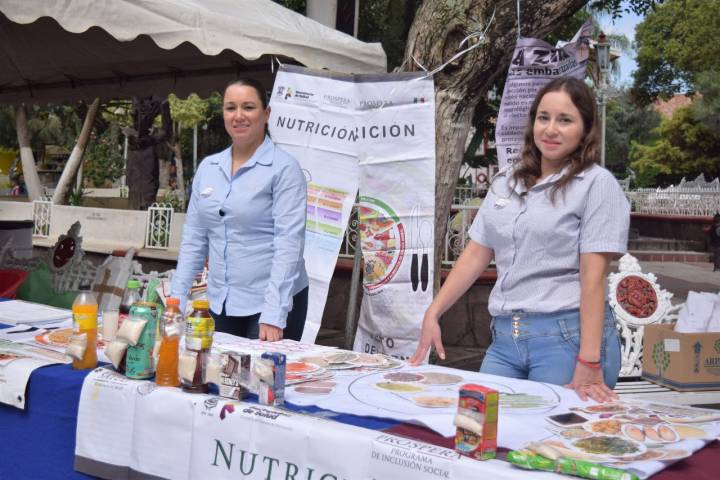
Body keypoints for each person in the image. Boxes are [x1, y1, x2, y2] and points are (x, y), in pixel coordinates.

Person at [410, 77, 630, 403]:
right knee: (477, 424)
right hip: (505, 339)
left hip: (567, 339)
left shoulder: (596, 184)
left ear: (586, 128)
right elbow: (477, 252)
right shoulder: (506, 182)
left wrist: (589, 360)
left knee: (549, 433)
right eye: (543, 117)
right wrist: (434, 311)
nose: (551, 129)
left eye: (565, 120)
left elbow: (593, 278)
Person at [171, 78, 308, 341]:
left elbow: (289, 244)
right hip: (220, 301)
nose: (238, 116)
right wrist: (176, 300)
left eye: (248, 107)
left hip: (271, 303)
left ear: (266, 114)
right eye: (230, 108)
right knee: (214, 366)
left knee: (261, 368)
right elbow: (194, 239)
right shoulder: (208, 168)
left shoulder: (284, 168)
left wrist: (274, 313)